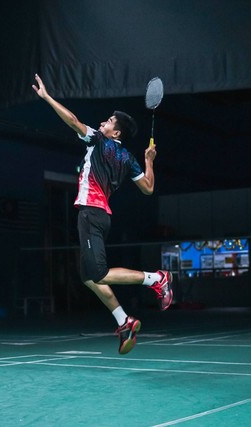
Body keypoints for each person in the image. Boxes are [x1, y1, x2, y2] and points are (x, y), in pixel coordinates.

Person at [32, 74, 173, 355]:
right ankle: (125, 321)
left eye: (108, 122)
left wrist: (47, 98)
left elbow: (72, 120)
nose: (102, 123)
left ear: (115, 133)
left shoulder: (97, 141)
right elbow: (148, 187)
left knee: (99, 274)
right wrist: (148, 161)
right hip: (100, 216)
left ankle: (156, 278)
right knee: (89, 278)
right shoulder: (127, 158)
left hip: (91, 214)